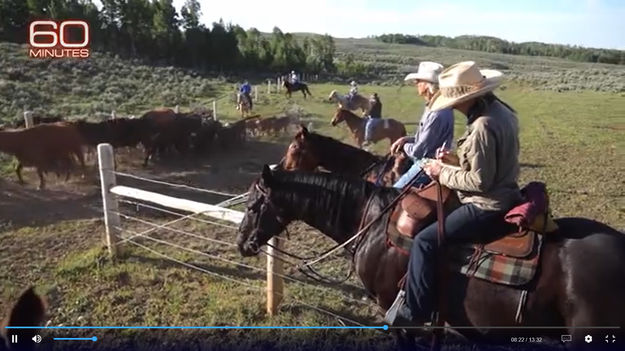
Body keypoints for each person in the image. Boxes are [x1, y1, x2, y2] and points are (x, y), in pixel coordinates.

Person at [385, 61, 523, 327]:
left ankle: (415, 312)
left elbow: (480, 182)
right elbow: (492, 163)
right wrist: (456, 160)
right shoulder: (502, 112)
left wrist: (440, 171)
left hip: (487, 205)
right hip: (506, 194)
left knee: (425, 241)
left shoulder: (482, 126)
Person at [390, 61, 454, 188]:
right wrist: (406, 139)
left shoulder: (436, 113)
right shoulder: (435, 107)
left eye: (418, 81)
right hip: (427, 158)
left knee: (395, 191)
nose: (416, 84)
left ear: (427, 85)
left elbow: (418, 151)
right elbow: (428, 140)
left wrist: (404, 147)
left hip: (427, 165)